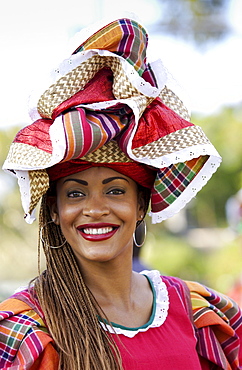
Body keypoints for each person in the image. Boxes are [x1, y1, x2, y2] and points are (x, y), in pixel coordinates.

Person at [0, 14, 241, 370]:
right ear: (53, 209)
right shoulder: (26, 328)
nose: (95, 209)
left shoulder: (195, 309)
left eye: (114, 191)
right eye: (76, 194)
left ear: (141, 204)